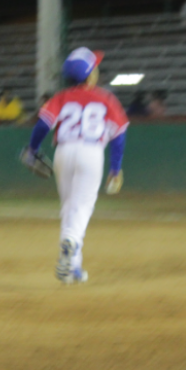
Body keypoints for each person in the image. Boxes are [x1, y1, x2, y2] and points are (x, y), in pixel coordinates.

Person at [23, 47, 128, 285]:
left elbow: (42, 125)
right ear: (90, 75)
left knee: (69, 206)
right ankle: (70, 241)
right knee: (82, 207)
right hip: (91, 153)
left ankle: (73, 268)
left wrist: (33, 149)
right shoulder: (105, 97)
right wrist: (116, 168)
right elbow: (119, 134)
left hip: (64, 151)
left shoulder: (59, 97)